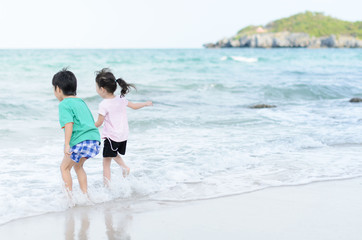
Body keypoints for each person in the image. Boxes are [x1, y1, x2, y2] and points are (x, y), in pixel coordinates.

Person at [94, 68, 152, 185]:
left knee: (106, 162)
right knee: (113, 154)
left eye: (96, 87)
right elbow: (134, 106)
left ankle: (107, 187)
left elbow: (99, 123)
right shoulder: (121, 98)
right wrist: (145, 103)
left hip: (111, 136)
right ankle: (124, 168)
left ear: (102, 89)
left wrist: (87, 127)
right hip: (123, 135)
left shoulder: (103, 104)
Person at [52, 68, 101, 195]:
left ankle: (69, 198)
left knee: (64, 168)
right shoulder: (80, 102)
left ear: (58, 89)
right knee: (78, 166)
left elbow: (69, 124)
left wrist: (67, 144)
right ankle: (85, 196)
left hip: (79, 142)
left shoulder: (64, 104)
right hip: (94, 141)